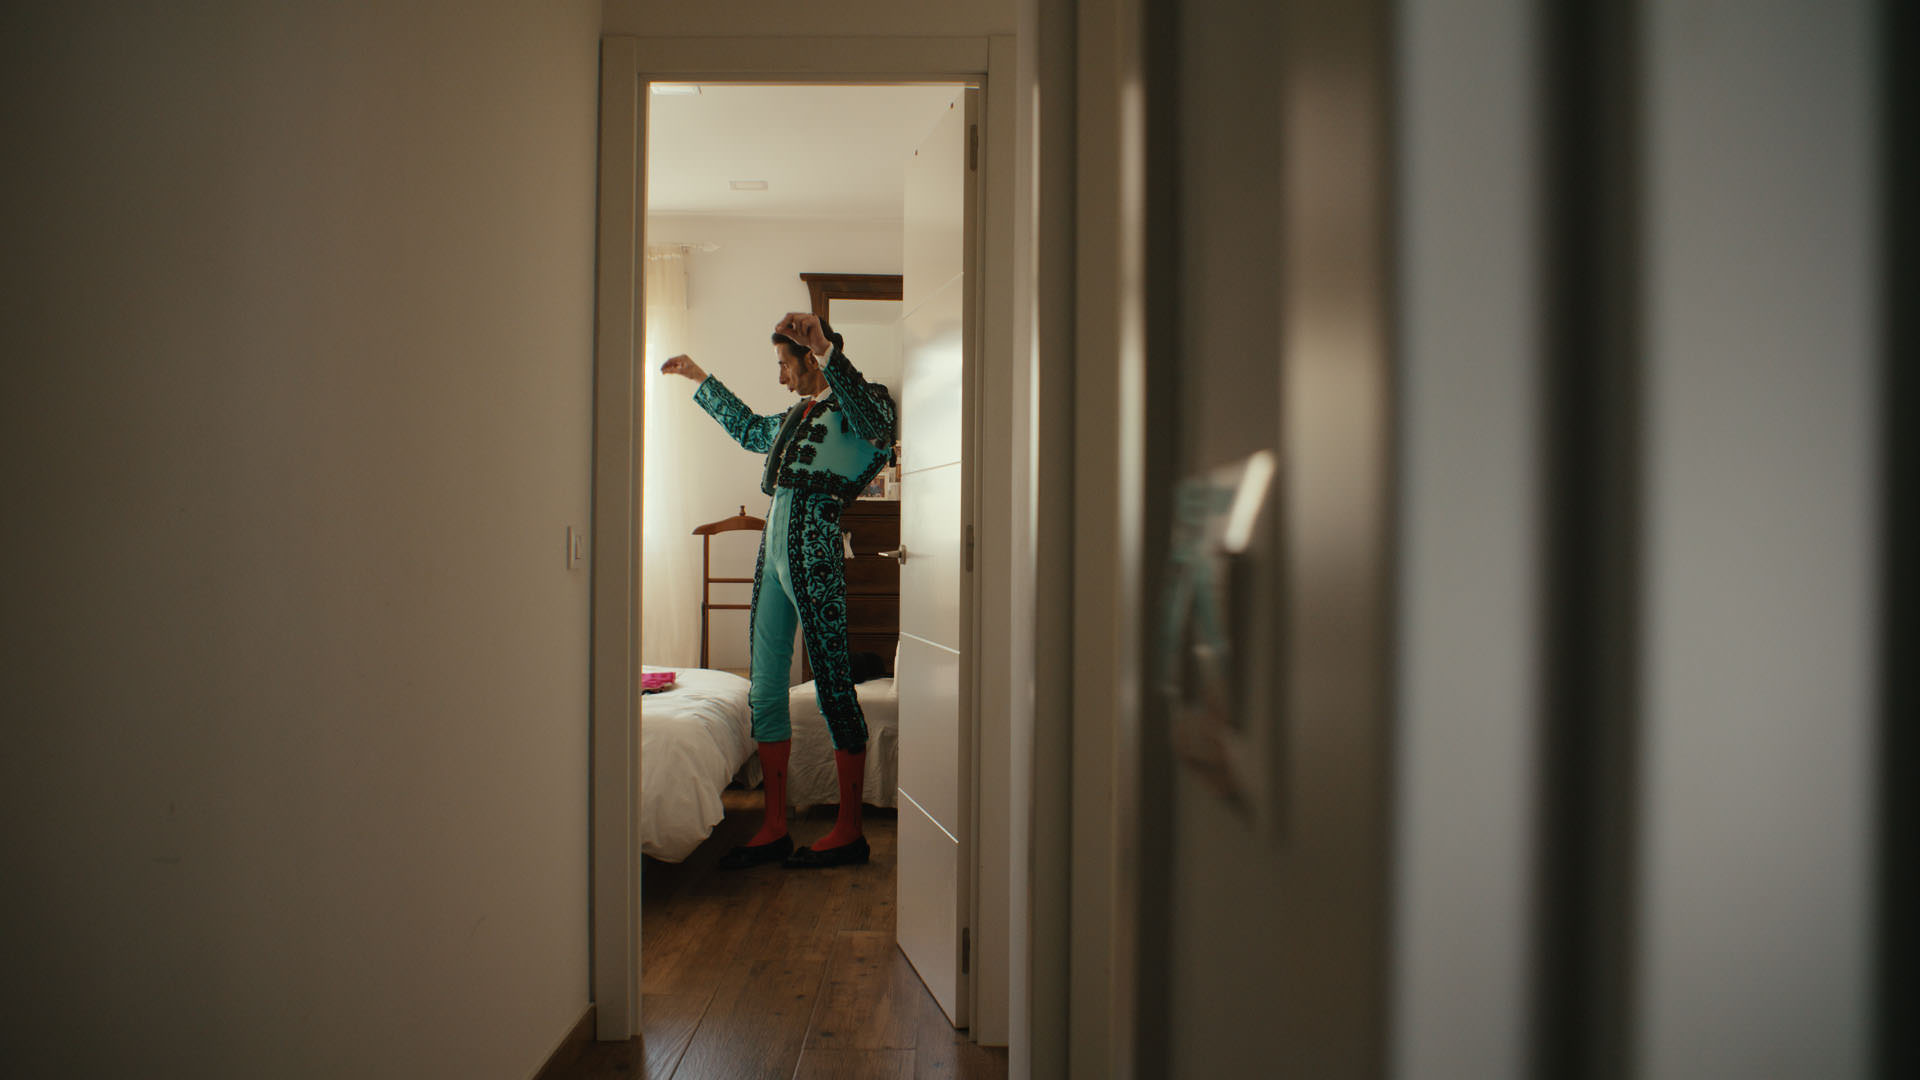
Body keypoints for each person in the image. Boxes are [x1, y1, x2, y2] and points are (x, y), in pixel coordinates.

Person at [660, 312, 896, 869]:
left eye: (785, 365)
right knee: (764, 685)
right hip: (775, 544)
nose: (782, 377)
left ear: (812, 359)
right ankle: (773, 825)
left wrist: (826, 346)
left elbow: (878, 427)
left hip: (815, 537)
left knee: (833, 681)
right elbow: (748, 429)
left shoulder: (862, 406)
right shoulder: (797, 415)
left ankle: (850, 830)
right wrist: (699, 377)